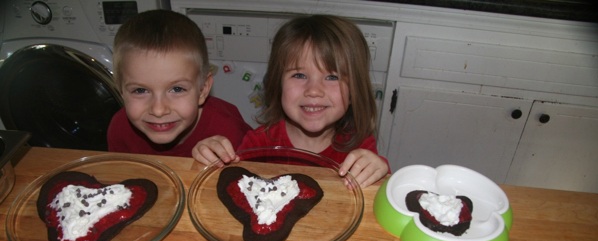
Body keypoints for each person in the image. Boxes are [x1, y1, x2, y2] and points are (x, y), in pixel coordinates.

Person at [196, 14, 389, 188]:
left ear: (354, 91)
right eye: (299, 75)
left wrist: (380, 171)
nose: (313, 90)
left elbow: (376, 194)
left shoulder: (360, 146)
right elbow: (232, 185)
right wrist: (211, 160)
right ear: (277, 83)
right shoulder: (258, 143)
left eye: (332, 77)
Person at [107, 10, 251, 159]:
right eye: (140, 90)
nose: (158, 110)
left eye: (177, 89)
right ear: (121, 91)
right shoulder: (119, 129)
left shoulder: (227, 130)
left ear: (202, 90)